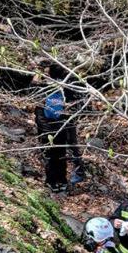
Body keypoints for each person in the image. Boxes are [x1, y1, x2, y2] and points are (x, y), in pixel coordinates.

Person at [35, 64, 86, 193]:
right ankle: (52, 181)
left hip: (58, 127)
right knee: (53, 155)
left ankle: (60, 180)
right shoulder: (47, 90)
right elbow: (40, 113)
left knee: (59, 155)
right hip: (52, 128)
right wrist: (48, 131)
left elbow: (67, 111)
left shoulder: (61, 90)